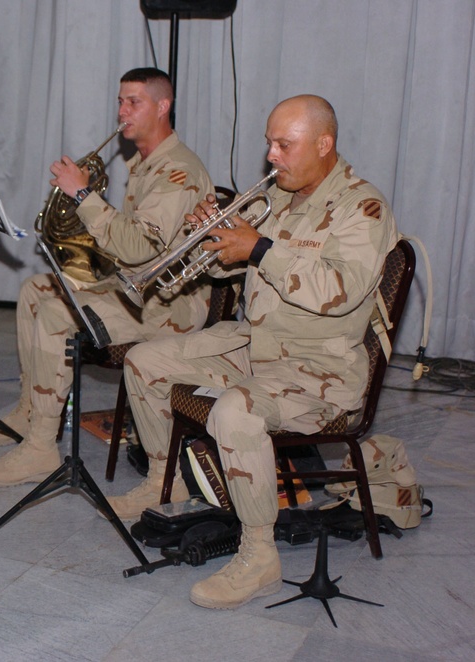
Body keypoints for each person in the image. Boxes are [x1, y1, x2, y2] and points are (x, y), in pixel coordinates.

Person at [121, 95, 398, 609]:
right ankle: (168, 481)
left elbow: (340, 288)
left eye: (283, 145)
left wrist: (261, 248)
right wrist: (209, 239)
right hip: (256, 344)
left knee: (236, 411)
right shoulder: (281, 195)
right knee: (145, 360)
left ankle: (259, 555)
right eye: (269, 142)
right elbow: (231, 267)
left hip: (320, 367)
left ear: (324, 144)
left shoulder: (363, 207)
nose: (271, 155)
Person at [0, 67, 213, 490]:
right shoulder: (145, 164)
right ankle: (32, 409)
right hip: (140, 286)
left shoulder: (178, 171)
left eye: (133, 102)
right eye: (120, 101)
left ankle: (42, 448)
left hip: (170, 303)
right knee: (36, 289)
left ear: (162, 106)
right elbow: (127, 244)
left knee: (52, 314)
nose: (122, 111)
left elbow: (139, 248)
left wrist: (83, 196)